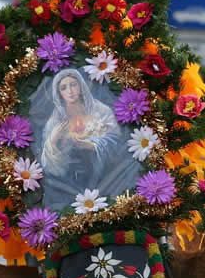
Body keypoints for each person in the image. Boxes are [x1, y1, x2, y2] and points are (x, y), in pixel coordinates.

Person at [40, 69, 136, 211]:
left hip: (106, 177)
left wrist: (92, 145)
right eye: (63, 87)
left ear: (81, 86)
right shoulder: (56, 121)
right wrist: (52, 142)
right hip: (71, 183)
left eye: (73, 84)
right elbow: (47, 165)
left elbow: (116, 141)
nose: (70, 91)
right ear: (58, 92)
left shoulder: (100, 111)